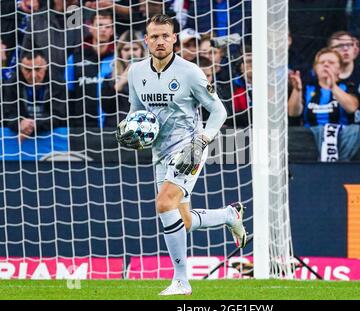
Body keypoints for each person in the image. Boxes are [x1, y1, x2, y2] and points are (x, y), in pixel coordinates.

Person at [115, 14, 248, 296]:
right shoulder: (137, 72)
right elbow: (136, 111)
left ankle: (181, 281)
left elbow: (219, 111)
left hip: (189, 148)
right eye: (154, 36)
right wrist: (129, 130)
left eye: (165, 35)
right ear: (146, 40)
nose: (160, 41)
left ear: (174, 38)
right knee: (183, 221)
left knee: (164, 204)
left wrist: (202, 140)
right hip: (159, 151)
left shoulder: (190, 72)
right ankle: (228, 215)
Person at [1, 51, 68, 159]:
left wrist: (32, 125)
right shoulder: (11, 84)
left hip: (50, 140)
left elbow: (59, 116)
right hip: (19, 139)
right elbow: (8, 115)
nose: (33, 75)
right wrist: (19, 123)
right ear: (20, 68)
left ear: (45, 66)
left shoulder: (58, 83)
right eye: (27, 70)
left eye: (37, 69)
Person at [65, 9, 117, 128]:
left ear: (112, 30)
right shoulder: (75, 58)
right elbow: (69, 93)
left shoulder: (118, 58)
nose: (103, 29)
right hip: (82, 126)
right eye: (99, 25)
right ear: (90, 27)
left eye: (108, 26)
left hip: (112, 125)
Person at [288, 48, 360, 127]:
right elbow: (292, 113)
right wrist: (297, 90)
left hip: (341, 136)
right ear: (315, 69)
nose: (326, 64)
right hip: (310, 136)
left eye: (331, 62)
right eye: (322, 62)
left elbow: (352, 108)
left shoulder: (348, 86)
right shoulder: (307, 88)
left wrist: (333, 87)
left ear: (340, 69)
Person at [114, 30, 147, 122]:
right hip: (117, 126)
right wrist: (121, 82)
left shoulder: (152, 74)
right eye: (126, 49)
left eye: (135, 49)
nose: (131, 53)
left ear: (142, 51)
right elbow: (106, 107)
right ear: (120, 53)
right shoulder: (110, 77)